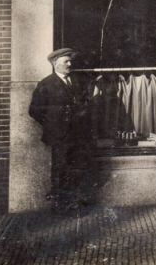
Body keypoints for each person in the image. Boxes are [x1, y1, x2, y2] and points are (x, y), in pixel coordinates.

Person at [29, 47, 92, 211]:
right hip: (60, 137)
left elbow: (85, 103)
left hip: (77, 134)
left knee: (77, 167)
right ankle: (60, 205)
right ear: (55, 64)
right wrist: (53, 125)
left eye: (70, 61)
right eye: (66, 61)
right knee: (60, 168)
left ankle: (75, 203)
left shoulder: (77, 82)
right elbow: (34, 110)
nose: (70, 64)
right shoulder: (46, 84)